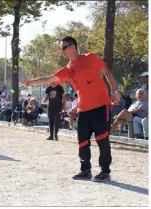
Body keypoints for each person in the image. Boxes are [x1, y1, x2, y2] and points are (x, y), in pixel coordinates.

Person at [20, 36, 120, 182]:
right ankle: (85, 170)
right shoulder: (67, 70)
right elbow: (49, 78)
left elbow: (107, 72)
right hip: (83, 109)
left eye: (63, 48)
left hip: (101, 106)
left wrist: (115, 90)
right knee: (82, 141)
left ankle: (105, 171)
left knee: (102, 139)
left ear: (72, 47)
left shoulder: (90, 58)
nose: (62, 52)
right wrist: (30, 82)